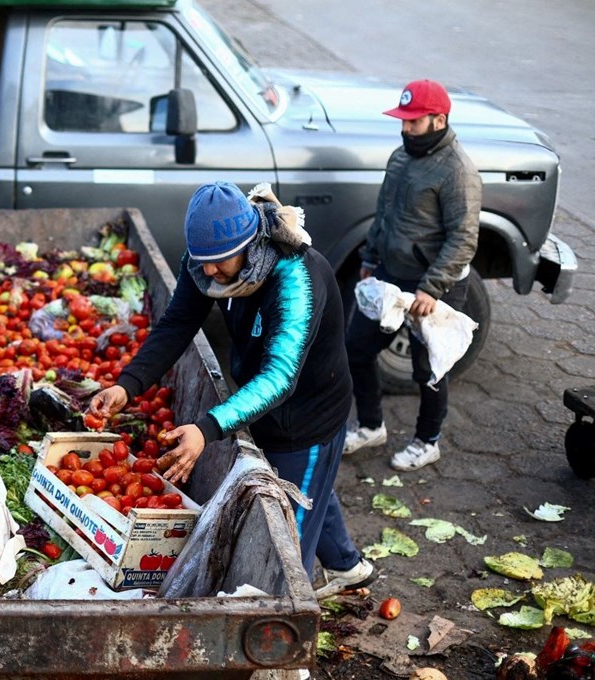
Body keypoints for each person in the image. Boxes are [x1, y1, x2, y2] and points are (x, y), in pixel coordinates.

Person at [87, 181, 375, 598]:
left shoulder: (296, 280)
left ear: (249, 243)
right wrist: (127, 385)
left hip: (305, 416)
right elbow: (178, 323)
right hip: (259, 401)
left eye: (218, 263)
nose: (207, 272)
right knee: (311, 489)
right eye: (201, 262)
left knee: (284, 543)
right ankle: (348, 567)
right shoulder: (208, 257)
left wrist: (206, 429)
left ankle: (285, 632)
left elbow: (279, 378)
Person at [343, 79, 481, 471]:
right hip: (390, 274)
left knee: (429, 369)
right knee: (357, 348)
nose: (405, 128)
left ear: (438, 120)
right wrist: (369, 257)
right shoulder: (400, 158)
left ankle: (427, 440)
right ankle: (371, 425)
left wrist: (431, 289)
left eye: (414, 122)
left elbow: (464, 238)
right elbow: (384, 213)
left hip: (435, 286)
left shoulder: (458, 171)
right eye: (402, 121)